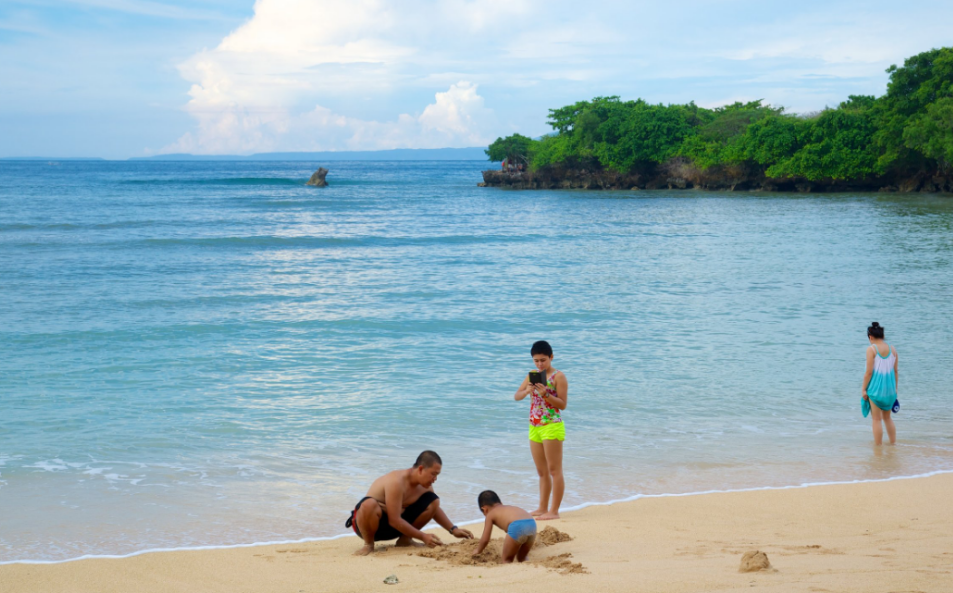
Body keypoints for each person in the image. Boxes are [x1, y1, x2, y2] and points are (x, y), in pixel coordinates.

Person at [345, 450, 474, 555]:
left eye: (437, 475)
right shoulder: (396, 481)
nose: (435, 479)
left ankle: (405, 540)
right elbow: (394, 520)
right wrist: (423, 536)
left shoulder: (425, 486)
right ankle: (368, 545)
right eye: (433, 474)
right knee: (368, 504)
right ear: (421, 469)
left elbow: (434, 509)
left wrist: (453, 529)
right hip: (368, 527)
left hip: (396, 529)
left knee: (433, 500)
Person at [514, 340, 568, 520]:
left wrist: (546, 394)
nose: (539, 364)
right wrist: (527, 390)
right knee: (541, 471)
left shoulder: (558, 377)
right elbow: (517, 396)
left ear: (551, 357)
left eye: (543, 360)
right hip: (534, 426)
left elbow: (562, 404)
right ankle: (542, 507)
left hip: (551, 425)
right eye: (536, 360)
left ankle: (554, 511)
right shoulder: (532, 375)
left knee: (555, 470)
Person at [471, 490, 537, 563]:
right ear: (501, 503)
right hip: (532, 523)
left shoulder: (490, 514)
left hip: (517, 526)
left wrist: (478, 550)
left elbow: (485, 539)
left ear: (484, 509)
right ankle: (528, 566)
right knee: (522, 557)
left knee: (506, 559)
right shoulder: (508, 508)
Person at [861, 322, 899, 445]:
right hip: (890, 390)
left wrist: (863, 390)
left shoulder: (871, 349)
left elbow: (868, 373)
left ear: (870, 337)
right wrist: (895, 390)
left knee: (876, 419)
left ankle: (878, 448)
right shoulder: (893, 349)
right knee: (888, 418)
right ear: (882, 336)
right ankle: (893, 444)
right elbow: (895, 371)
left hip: (876, 390)